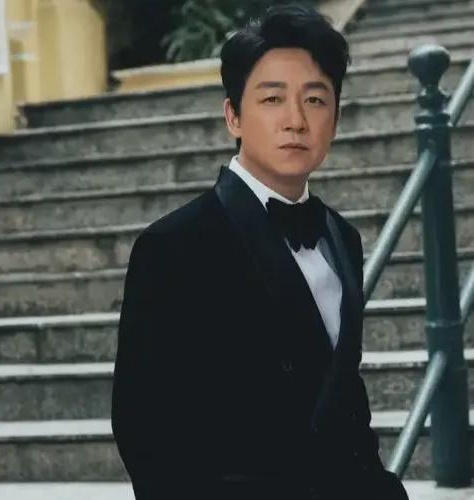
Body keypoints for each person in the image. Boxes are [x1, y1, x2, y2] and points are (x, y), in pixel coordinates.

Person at [111, 3, 409, 499]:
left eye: (315, 100)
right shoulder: (172, 247)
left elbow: (344, 410)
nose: (295, 120)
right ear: (233, 116)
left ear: (336, 118)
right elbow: (145, 435)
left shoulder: (342, 238)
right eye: (272, 99)